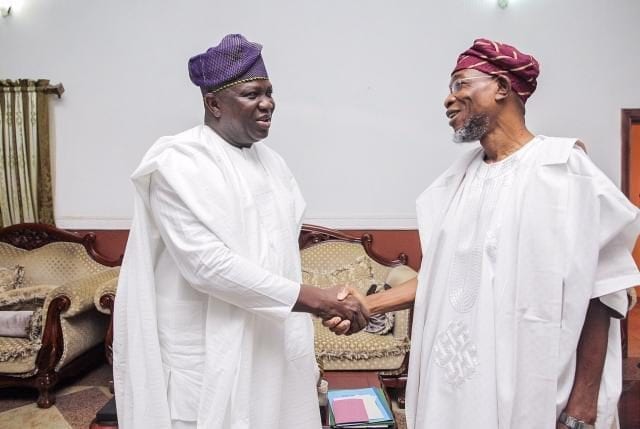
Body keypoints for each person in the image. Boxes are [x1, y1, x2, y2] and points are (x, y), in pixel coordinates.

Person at [326, 38, 640, 429]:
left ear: (502, 88)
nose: (448, 99)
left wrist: (582, 408)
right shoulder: (454, 182)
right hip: (454, 386)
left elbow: (605, 289)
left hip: (531, 382)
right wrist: (370, 304)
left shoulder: (563, 169)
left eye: (461, 84)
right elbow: (446, 281)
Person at [112, 33, 368, 429]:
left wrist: (323, 300)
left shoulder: (274, 165)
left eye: (269, 92)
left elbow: (278, 255)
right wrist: (317, 300)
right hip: (202, 347)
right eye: (252, 94)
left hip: (269, 338)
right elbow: (208, 266)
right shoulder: (177, 163)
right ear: (213, 103)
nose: (267, 103)